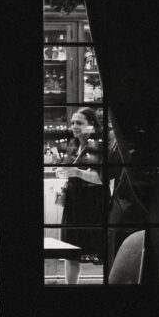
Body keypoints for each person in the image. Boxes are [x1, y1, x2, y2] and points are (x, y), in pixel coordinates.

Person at [55, 107, 105, 285]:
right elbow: (69, 169)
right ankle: (71, 288)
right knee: (70, 251)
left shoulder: (99, 145)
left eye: (79, 123)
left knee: (98, 249)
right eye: (73, 122)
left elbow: (101, 178)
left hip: (93, 203)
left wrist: (76, 172)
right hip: (73, 201)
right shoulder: (74, 145)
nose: (74, 126)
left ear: (91, 125)